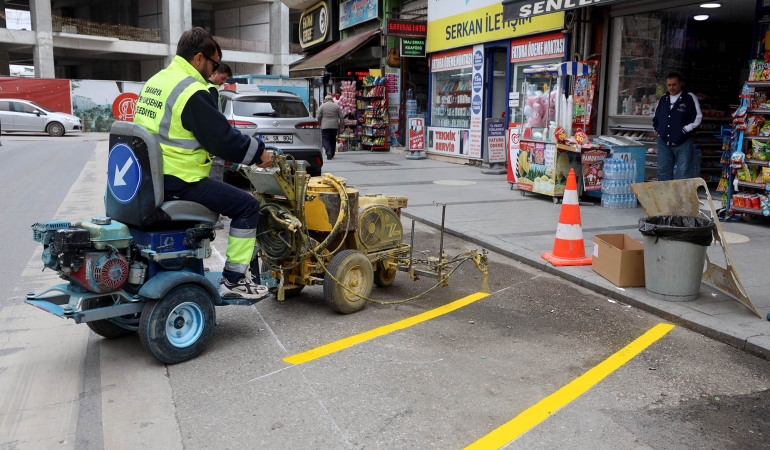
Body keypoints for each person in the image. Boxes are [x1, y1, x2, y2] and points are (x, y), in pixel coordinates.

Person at [133, 27, 273, 300]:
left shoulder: (156, 81)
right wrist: (259, 154)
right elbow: (222, 140)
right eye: (214, 63)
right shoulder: (191, 90)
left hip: (150, 177)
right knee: (247, 206)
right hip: (179, 179)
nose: (213, 70)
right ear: (198, 58)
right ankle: (233, 282)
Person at [652, 73, 702, 181]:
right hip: (664, 142)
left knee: (683, 173)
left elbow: (697, 117)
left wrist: (683, 130)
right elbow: (656, 118)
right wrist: (658, 131)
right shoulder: (663, 99)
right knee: (663, 172)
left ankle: (682, 198)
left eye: (674, 84)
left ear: (680, 83)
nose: (671, 87)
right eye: (669, 85)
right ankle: (665, 197)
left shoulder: (689, 97)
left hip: (683, 142)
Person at [316, 94, 342, 160]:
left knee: (325, 139)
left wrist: (318, 123)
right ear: (332, 100)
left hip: (325, 126)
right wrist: (342, 125)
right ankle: (332, 153)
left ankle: (328, 152)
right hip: (334, 126)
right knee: (333, 139)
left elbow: (318, 116)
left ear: (325, 100)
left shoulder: (322, 106)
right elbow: (341, 117)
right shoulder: (337, 106)